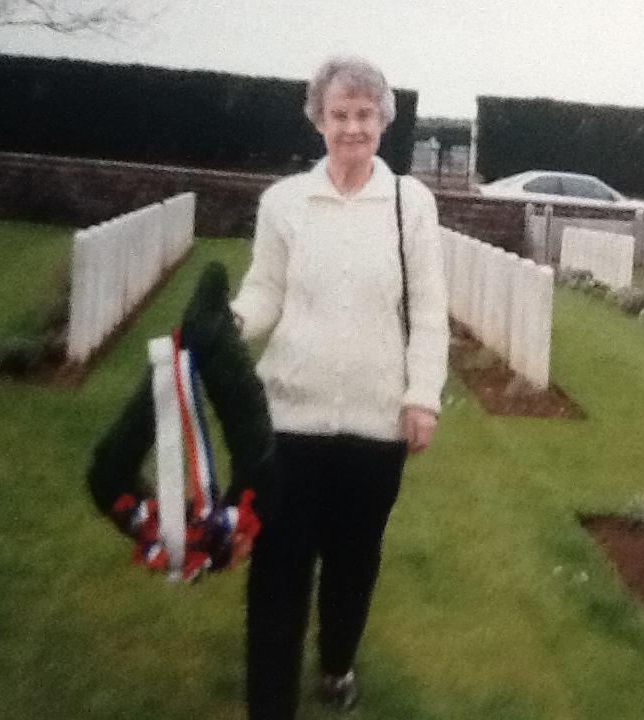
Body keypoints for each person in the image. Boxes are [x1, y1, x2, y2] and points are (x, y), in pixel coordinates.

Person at [229, 56, 449, 719]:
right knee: (279, 568)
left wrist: (422, 397)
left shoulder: (410, 204)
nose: (352, 129)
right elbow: (264, 291)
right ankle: (270, 700)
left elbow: (430, 311)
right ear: (318, 121)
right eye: (338, 116)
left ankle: (335, 665)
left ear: (383, 119)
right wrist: (228, 327)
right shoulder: (285, 203)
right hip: (290, 419)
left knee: (353, 562)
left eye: (364, 115)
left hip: (375, 426)